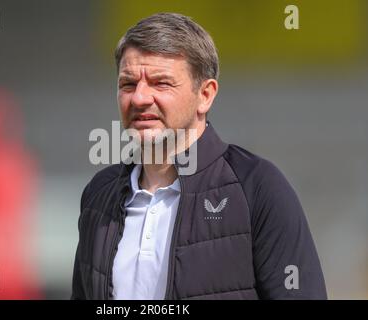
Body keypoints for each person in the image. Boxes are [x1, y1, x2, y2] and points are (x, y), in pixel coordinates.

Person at [71, 13, 327, 300]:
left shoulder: (259, 187)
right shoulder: (98, 194)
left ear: (205, 95)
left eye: (161, 83)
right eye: (128, 84)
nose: (139, 98)